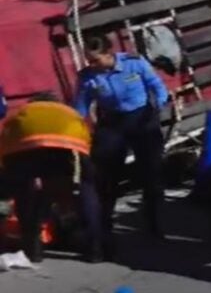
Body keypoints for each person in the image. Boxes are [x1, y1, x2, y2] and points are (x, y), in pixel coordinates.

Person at [73, 35, 169, 255]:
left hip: (142, 118)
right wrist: (75, 130)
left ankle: (154, 222)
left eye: (96, 60)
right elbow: (81, 107)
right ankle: (104, 228)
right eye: (89, 61)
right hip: (113, 123)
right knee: (105, 177)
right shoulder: (88, 77)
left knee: (152, 173)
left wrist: (158, 107)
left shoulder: (134, 62)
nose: (92, 65)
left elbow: (157, 86)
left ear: (110, 54)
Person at [0, 92, 103, 262]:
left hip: (25, 150)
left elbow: (5, 142)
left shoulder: (21, 112)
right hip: (68, 148)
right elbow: (86, 142)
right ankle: (95, 250)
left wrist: (10, 176)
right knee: (86, 193)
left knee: (26, 198)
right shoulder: (69, 112)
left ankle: (32, 251)